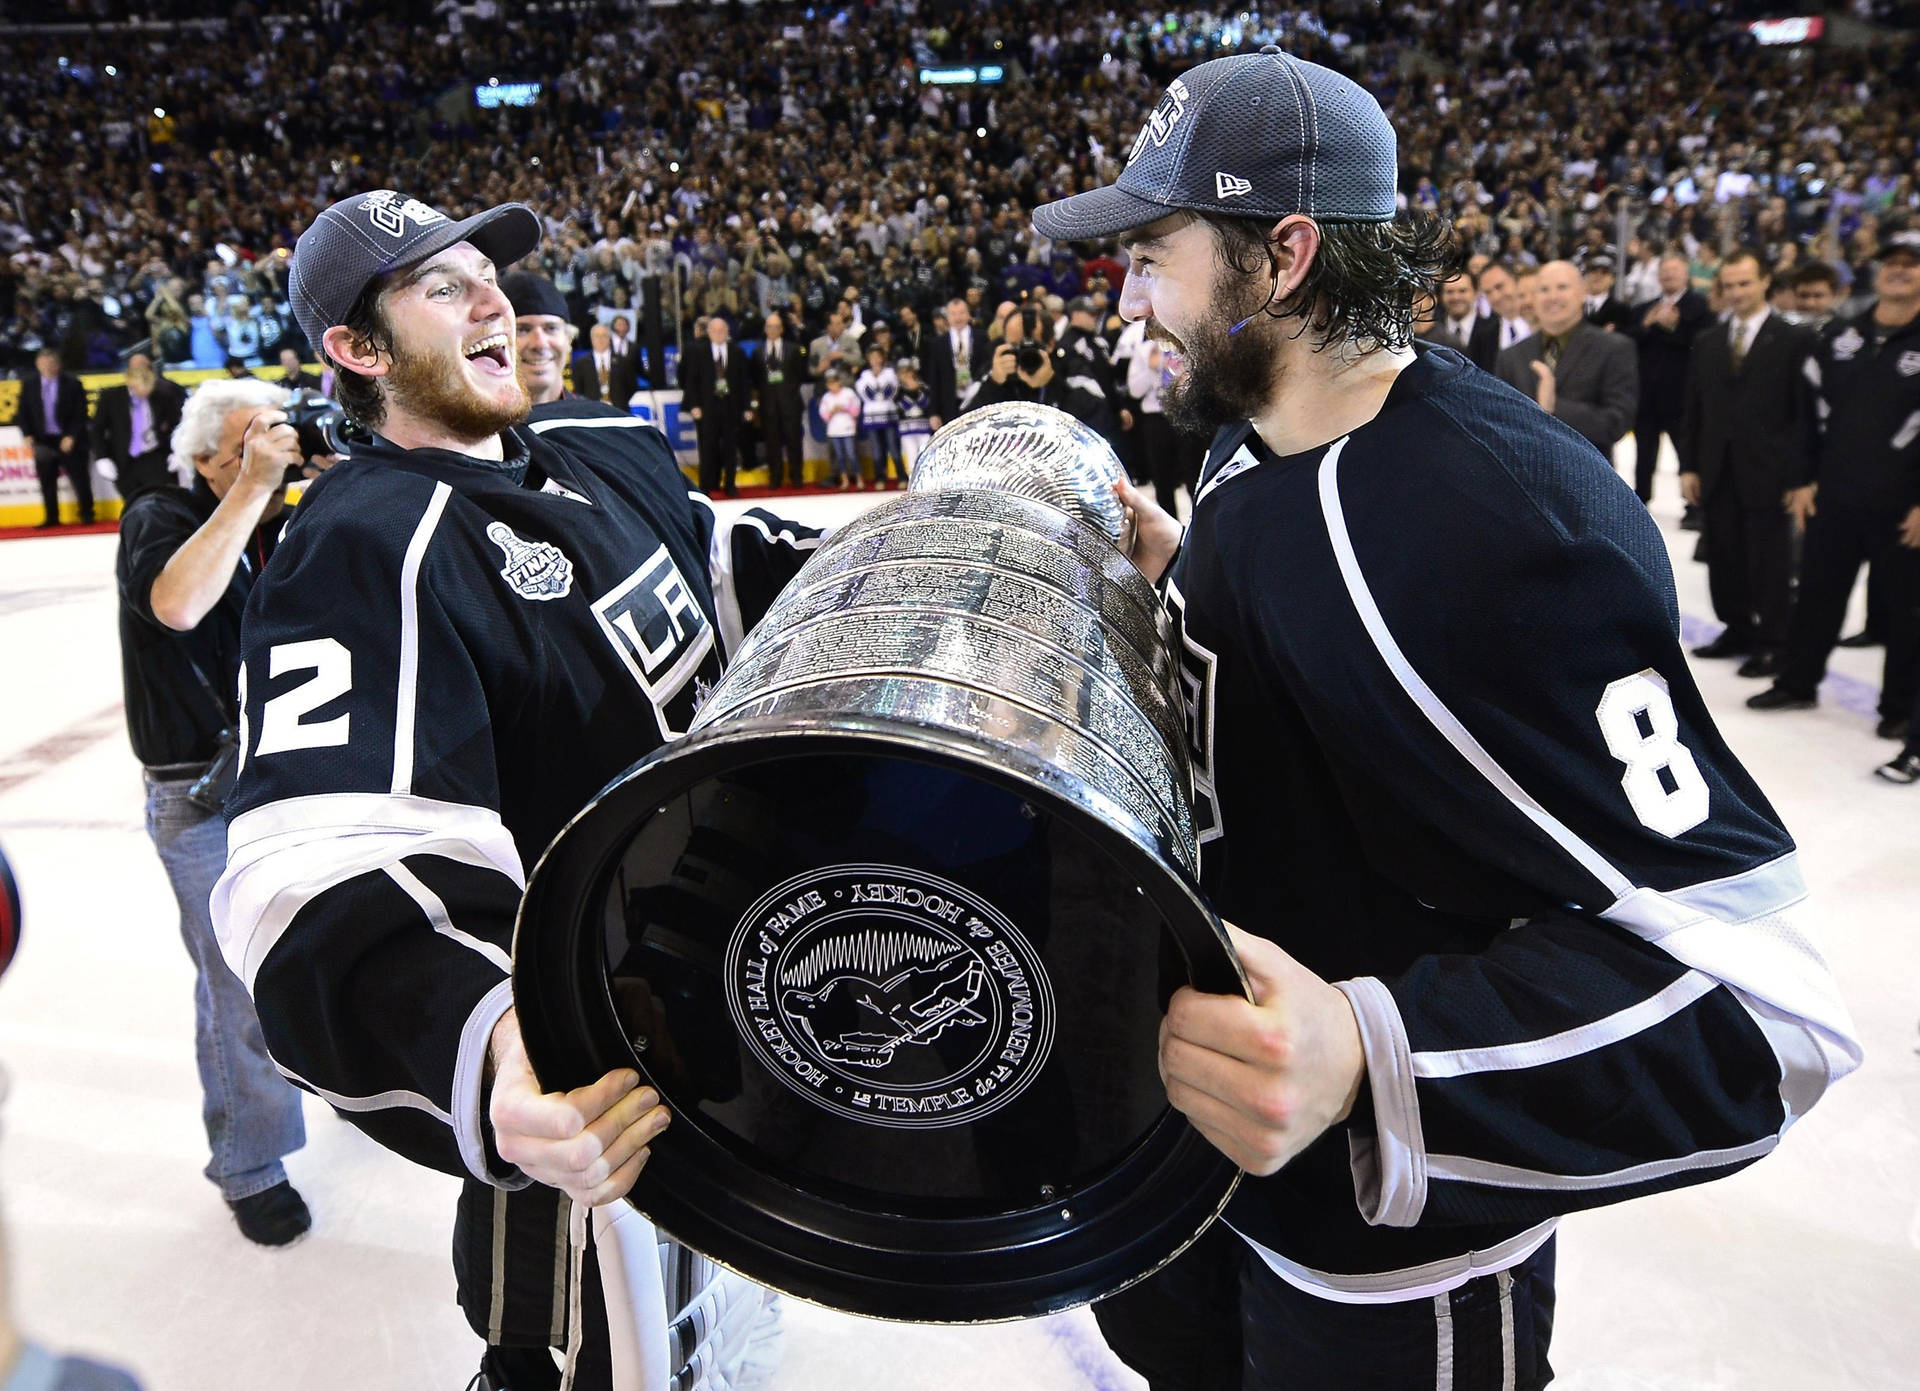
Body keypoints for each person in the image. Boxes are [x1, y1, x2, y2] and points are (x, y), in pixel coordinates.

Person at [1033, 46, 1858, 1391]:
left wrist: (1369, 1046)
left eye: (1151, 255)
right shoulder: (1254, 428)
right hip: (1210, 1180)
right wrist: (1184, 577)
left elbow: (1766, 1013)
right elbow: (1328, 674)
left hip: (1380, 1262)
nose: (1126, 297)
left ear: (1284, 254)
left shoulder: (1499, 522)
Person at [208, 189, 817, 1390]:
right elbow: (313, 862)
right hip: (586, 1090)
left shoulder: (598, 444)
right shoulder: (363, 543)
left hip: (730, 1016)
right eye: (443, 287)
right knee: (576, 1355)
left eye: (488, 273)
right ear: (357, 349)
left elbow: (721, 570)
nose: (494, 297)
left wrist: (913, 552)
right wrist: (491, 1046)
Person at [115, 376, 317, 1247]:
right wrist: (253, 488)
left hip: (281, 770)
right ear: (202, 459)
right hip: (197, 787)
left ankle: (326, 1073)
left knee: (315, 942)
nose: (267, 455)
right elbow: (179, 602)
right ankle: (249, 1162)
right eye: (244, 445)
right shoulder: (157, 515)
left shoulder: (274, 512)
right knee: (237, 978)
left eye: (275, 437)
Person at [1748, 221, 1920, 747]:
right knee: (1817, 596)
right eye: (1892, 260)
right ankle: (1798, 682)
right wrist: (1801, 480)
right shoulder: (1841, 335)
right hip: (1834, 495)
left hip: (1903, 506)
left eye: (1911, 263)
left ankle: (1900, 709)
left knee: (1907, 612)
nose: (1899, 269)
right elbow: (1806, 413)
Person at [1680, 250, 1817, 678]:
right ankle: (1737, 628)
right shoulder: (1708, 341)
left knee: (1770, 562)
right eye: (1730, 285)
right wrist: (1689, 466)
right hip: (1717, 470)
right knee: (1723, 556)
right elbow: (1693, 408)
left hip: (1771, 473)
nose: (1737, 292)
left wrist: (1801, 477)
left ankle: (1774, 641)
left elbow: (1805, 414)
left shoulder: (1794, 340)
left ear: (1764, 283)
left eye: (1745, 283)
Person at [1495, 260, 1639, 458]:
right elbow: (1499, 421)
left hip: (1589, 480)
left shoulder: (1613, 348)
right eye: (1544, 289)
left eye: (1562, 287)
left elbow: (1617, 422)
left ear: (1582, 293)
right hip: (1524, 479)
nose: (1552, 297)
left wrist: (1555, 407)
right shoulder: (1511, 356)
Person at [1627, 254, 1712, 504]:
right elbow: (1626, 340)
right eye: (1664, 270)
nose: (1669, 275)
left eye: (1674, 270)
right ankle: (1640, 501)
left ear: (1686, 274)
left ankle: (1694, 504)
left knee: (1687, 454)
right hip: (1647, 395)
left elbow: (1704, 345)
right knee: (1643, 454)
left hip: (1681, 395)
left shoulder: (1700, 308)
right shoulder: (1643, 309)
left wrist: (1674, 328)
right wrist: (1646, 324)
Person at [91, 352, 185, 504]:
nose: (143, 395)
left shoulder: (163, 396)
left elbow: (177, 426)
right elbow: (97, 429)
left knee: (166, 500)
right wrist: (102, 457)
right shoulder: (111, 397)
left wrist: (178, 451)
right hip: (123, 458)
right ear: (132, 385)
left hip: (154, 456)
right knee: (133, 503)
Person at [680, 314, 753, 495]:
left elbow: (744, 383)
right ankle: (705, 486)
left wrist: (747, 407)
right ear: (709, 332)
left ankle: (730, 485)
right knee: (707, 448)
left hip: (730, 407)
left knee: (730, 448)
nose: (719, 333)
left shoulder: (737, 352)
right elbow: (692, 381)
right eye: (715, 330)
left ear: (727, 332)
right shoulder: (699, 352)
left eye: (722, 330)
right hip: (707, 408)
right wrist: (694, 405)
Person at [19, 347, 92, 527]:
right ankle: (52, 517)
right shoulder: (29, 384)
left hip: (69, 439)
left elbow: (80, 413)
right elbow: (22, 412)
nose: (48, 367)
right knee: (46, 480)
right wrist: (27, 434)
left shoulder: (73, 384)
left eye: (52, 363)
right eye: (44, 363)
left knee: (80, 478)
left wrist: (72, 436)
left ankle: (87, 514)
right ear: (37, 364)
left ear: (58, 364)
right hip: (43, 440)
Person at [1055, 294, 1132, 443]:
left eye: (1096, 313)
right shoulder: (1067, 345)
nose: (1095, 317)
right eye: (1090, 313)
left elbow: (1108, 379)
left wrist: (1119, 407)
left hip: (1109, 416)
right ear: (1075, 314)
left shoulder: (1099, 342)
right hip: (1087, 419)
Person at [501, 272, 577, 406]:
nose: (540, 344)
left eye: (551, 328)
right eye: (522, 330)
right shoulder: (469, 426)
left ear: (568, 339)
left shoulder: (599, 422)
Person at [755, 311, 807, 488]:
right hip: (768, 406)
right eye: (769, 326)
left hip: (791, 404)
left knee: (794, 441)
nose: (772, 330)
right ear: (764, 328)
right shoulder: (758, 352)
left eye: (776, 326)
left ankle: (797, 476)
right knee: (772, 444)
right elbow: (756, 380)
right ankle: (775, 477)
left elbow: (800, 374)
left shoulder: (793, 349)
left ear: (782, 329)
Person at [926, 296, 990, 426]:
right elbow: (934, 379)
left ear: (968, 314)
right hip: (949, 405)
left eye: (961, 313)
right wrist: (934, 412)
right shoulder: (938, 343)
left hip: (977, 401)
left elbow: (987, 370)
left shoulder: (982, 337)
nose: (958, 318)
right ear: (947, 318)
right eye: (953, 314)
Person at [1419, 269, 1499, 370]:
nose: (1456, 297)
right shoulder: (1430, 329)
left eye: (1462, 291)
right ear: (1441, 296)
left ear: (1476, 293)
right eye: (1450, 292)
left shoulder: (1493, 329)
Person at [854, 343, 902, 488]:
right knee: (877, 450)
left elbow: (891, 391)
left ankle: (901, 476)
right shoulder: (864, 375)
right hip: (872, 418)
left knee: (893, 448)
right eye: (872, 357)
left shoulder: (890, 373)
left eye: (878, 356)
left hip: (889, 416)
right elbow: (864, 393)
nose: (875, 359)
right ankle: (880, 478)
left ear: (882, 358)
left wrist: (878, 385)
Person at [575, 322, 636, 409]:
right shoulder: (582, 363)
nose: (600, 339)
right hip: (592, 413)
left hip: (619, 412)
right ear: (591, 339)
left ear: (609, 338)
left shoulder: (623, 361)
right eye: (597, 336)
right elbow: (578, 391)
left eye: (604, 336)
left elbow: (632, 387)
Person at [817, 367, 861, 489]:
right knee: (840, 456)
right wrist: (832, 411)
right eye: (830, 383)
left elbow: (856, 410)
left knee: (852, 455)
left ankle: (859, 478)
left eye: (834, 381)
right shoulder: (826, 397)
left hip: (848, 429)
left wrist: (844, 408)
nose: (833, 385)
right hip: (834, 431)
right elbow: (823, 415)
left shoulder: (848, 393)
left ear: (839, 381)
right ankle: (844, 480)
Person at [1477, 262, 1531, 350]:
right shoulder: (1484, 337)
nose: (1495, 297)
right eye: (1488, 292)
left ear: (1516, 280)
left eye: (1499, 287)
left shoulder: (1542, 323)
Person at [895, 360, 933, 476]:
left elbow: (925, 404)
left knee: (926, 454)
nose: (906, 375)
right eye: (903, 373)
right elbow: (904, 405)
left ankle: (927, 480)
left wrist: (917, 389)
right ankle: (912, 481)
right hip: (907, 429)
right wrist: (912, 391)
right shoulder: (898, 391)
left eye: (908, 372)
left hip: (923, 427)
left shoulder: (924, 387)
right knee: (911, 456)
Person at [1580, 255, 1635, 332]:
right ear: (1585, 276)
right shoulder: (1574, 306)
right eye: (1593, 271)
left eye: (1604, 272)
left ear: (1612, 280)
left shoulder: (1621, 311)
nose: (1598, 276)